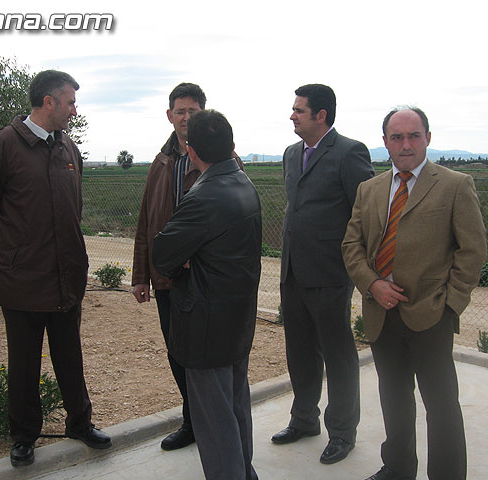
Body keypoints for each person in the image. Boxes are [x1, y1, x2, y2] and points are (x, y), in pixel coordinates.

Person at [0, 70, 111, 468]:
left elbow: (71, 211)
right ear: (49, 102)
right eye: (71, 102)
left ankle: (80, 423)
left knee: (70, 357)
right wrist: (3, 263)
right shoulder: (1, 147)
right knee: (24, 362)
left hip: (65, 277)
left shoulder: (68, 149)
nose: (74, 110)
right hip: (21, 283)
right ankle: (24, 436)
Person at [342, 107, 486, 480]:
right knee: (394, 398)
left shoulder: (455, 185)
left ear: (428, 138)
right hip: (381, 313)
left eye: (413, 136)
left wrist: (450, 305)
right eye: (397, 137)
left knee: (441, 406)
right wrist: (372, 284)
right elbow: (352, 245)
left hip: (431, 314)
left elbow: (472, 252)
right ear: (386, 142)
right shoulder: (369, 189)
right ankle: (398, 467)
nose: (405, 145)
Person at [131, 82, 244, 450]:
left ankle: (213, 427)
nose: (185, 117)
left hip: (205, 282)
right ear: (169, 116)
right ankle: (193, 421)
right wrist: (140, 276)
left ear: (203, 115)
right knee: (177, 353)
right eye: (179, 111)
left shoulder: (225, 162)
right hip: (167, 278)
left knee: (206, 358)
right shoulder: (161, 164)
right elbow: (147, 220)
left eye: (192, 111)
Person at [152, 109, 262, 480]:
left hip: (205, 325)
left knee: (214, 424)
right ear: (231, 145)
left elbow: (163, 254)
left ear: (191, 149)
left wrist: (186, 258)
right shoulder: (244, 184)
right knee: (235, 407)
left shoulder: (204, 196)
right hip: (236, 320)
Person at [272, 83, 373, 465]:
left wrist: (361, 268)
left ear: (321, 116)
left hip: (331, 272)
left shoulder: (349, 153)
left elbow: (365, 212)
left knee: (338, 355)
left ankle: (343, 432)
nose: (292, 115)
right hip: (293, 271)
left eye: (299, 110)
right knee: (299, 351)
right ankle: (304, 420)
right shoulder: (290, 154)